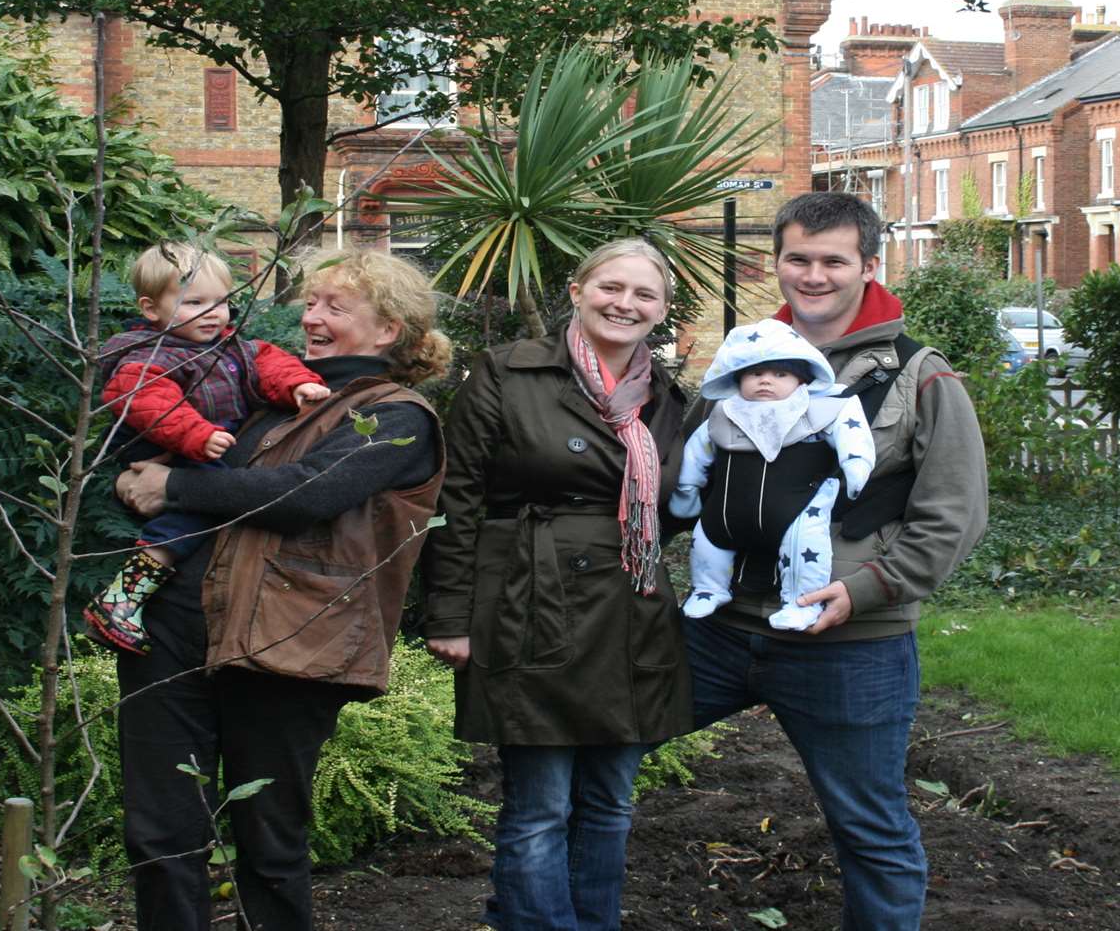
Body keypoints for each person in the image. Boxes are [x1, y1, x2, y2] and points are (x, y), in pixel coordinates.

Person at [110, 247, 451, 931]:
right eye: (311, 301)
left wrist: (173, 485)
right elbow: (171, 467)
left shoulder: (396, 416)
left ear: (387, 330)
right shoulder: (265, 396)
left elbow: (305, 494)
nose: (310, 315)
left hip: (287, 646)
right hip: (174, 633)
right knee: (160, 832)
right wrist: (140, 481)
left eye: (333, 305)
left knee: (269, 842)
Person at [682, 192, 988, 929]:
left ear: (868, 265)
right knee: (602, 746)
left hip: (850, 646)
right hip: (720, 632)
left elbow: (955, 511)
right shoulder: (744, 359)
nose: (812, 276)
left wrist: (870, 589)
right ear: (777, 262)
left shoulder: (919, 374)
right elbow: (687, 475)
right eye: (798, 259)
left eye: (832, 261)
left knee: (871, 829)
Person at [421, 238, 693, 931]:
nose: (624, 303)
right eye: (611, 286)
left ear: (661, 310)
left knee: (611, 802)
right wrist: (450, 615)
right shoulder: (509, 373)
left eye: (643, 294)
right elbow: (458, 498)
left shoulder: (667, 399)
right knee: (540, 805)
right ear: (577, 290)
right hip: (528, 601)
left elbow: (675, 506)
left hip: (630, 611)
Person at [84, 241, 331, 654]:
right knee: (195, 513)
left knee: (204, 504)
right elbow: (151, 404)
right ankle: (120, 598)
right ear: (150, 309)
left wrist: (299, 385)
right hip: (169, 446)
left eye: (221, 301)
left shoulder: (228, 346)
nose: (213, 312)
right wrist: (196, 436)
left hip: (198, 445)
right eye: (194, 301)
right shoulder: (146, 357)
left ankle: (130, 596)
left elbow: (269, 363)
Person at [669, 319, 875, 630]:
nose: (766, 381)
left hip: (798, 508)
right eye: (755, 373)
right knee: (706, 541)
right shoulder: (724, 414)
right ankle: (709, 588)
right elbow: (697, 452)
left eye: (780, 374)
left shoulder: (821, 409)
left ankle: (800, 602)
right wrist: (687, 487)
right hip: (726, 510)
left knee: (806, 547)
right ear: (738, 378)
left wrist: (856, 463)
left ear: (802, 379)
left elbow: (851, 432)